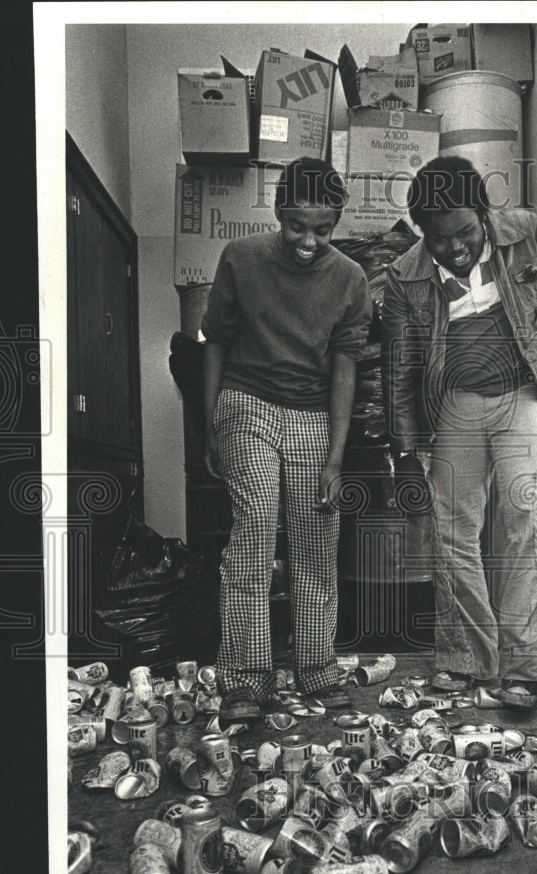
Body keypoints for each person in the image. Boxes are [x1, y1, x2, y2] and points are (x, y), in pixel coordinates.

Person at [381, 156, 537, 710]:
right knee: (451, 531)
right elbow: (398, 371)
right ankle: (467, 659)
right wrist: (404, 454)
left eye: (465, 232)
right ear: (422, 232)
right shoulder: (405, 275)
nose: (454, 248)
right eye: (439, 239)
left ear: (485, 213)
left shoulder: (527, 234)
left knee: (524, 520)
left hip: (525, 393)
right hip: (455, 406)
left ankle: (523, 669)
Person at [201, 157, 372, 723]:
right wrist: (211, 426)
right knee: (253, 529)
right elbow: (216, 343)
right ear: (277, 212)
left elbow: (346, 366)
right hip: (246, 400)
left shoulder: (349, 278)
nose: (308, 240)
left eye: (322, 229)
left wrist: (336, 457)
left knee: (316, 540)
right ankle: (247, 677)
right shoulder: (241, 258)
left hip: (312, 414)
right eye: (298, 225)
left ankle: (317, 670)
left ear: (337, 222)